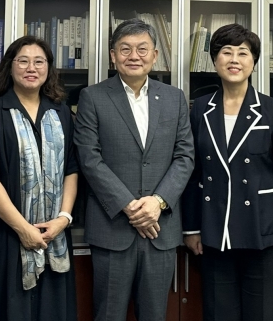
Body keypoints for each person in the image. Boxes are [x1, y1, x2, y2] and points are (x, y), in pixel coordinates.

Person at [182, 23, 273, 321]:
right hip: (215, 230)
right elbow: (192, 172)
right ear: (215, 60)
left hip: (262, 230)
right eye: (226, 52)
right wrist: (191, 228)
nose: (234, 60)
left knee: (262, 313)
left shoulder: (272, 109)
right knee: (218, 313)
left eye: (243, 53)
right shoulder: (200, 109)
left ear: (253, 62)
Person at [74, 18, 194, 321]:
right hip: (112, 228)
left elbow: (185, 156)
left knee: (154, 315)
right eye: (125, 49)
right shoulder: (92, 97)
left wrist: (157, 202)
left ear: (155, 55)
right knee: (108, 315)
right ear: (113, 55)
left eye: (142, 49)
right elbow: (89, 158)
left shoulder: (175, 98)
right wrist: (129, 206)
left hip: (161, 228)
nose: (134, 56)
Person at [0, 36, 78, 321]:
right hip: (7, 237)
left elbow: (72, 169)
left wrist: (63, 219)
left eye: (39, 61)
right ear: (10, 66)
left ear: (48, 68)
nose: (32, 68)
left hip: (53, 237)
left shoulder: (61, 113)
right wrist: (23, 229)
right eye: (23, 61)